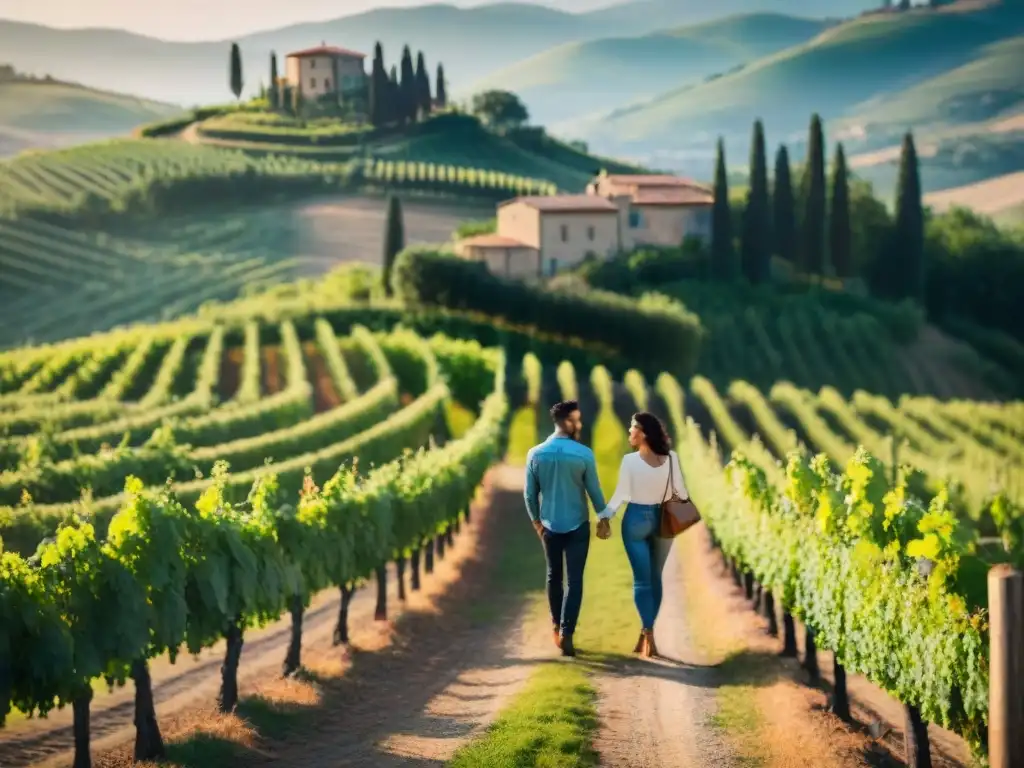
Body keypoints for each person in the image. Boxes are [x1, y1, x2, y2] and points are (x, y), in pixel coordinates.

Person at [596, 411, 689, 659]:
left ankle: (647, 631)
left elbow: (620, 496)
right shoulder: (671, 459)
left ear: (643, 433)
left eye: (632, 428)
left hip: (636, 519)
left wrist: (603, 516)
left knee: (641, 581)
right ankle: (649, 632)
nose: (629, 432)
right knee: (656, 579)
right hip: (662, 520)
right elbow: (680, 493)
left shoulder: (630, 461)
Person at [524, 399, 607, 657]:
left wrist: (537, 521)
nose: (579, 424)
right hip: (578, 524)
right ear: (566, 422)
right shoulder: (584, 454)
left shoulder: (535, 454)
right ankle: (567, 633)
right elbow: (595, 492)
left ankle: (555, 627)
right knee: (575, 580)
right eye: (577, 419)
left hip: (549, 525)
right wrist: (603, 517)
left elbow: (529, 494)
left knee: (553, 576)